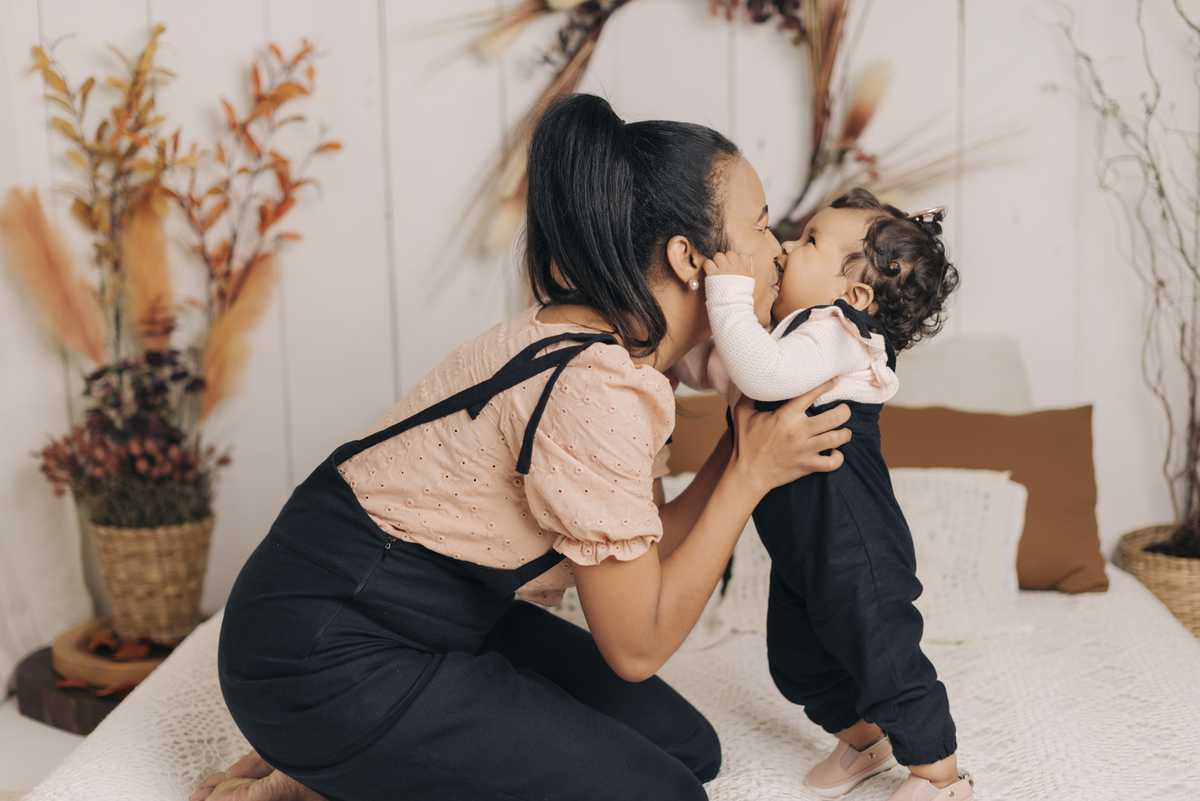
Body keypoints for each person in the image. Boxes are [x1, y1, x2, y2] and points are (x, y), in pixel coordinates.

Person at [190, 93, 855, 801]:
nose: (780, 247)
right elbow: (637, 645)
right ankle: (309, 772)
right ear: (691, 259)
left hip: (433, 621)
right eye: (759, 225)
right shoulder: (596, 389)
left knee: (686, 747)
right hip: (322, 648)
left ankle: (352, 761)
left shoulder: (615, 353)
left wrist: (744, 438)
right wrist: (750, 476)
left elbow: (644, 563)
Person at [673, 188, 971, 801]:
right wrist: (662, 350)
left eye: (808, 241)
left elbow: (759, 373)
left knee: (883, 651)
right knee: (797, 662)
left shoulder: (841, 332)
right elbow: (723, 369)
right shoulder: (788, 337)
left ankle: (940, 776)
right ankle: (866, 741)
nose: (784, 245)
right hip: (800, 545)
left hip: (853, 539)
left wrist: (727, 291)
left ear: (855, 295)